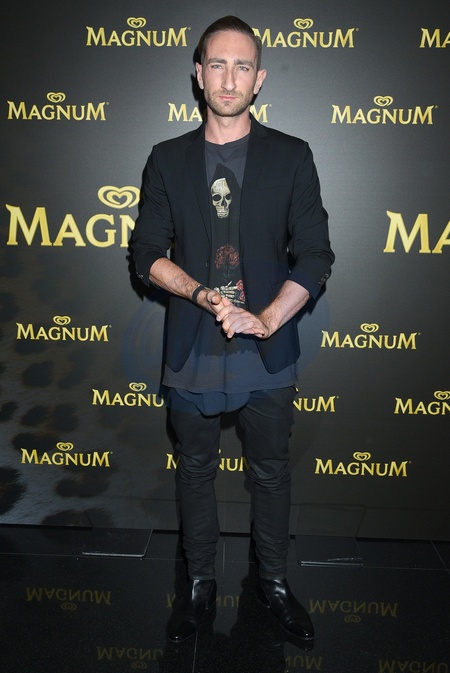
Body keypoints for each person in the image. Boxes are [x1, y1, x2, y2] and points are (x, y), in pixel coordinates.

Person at [131, 16, 334, 643]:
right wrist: (202, 295)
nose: (228, 78)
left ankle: (273, 583)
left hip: (266, 352)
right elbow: (146, 254)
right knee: (194, 469)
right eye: (217, 64)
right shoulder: (166, 158)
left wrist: (266, 318)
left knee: (270, 472)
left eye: (242, 66)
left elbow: (316, 255)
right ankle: (198, 586)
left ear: (259, 78)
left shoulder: (292, 155)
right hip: (192, 345)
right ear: (199, 74)